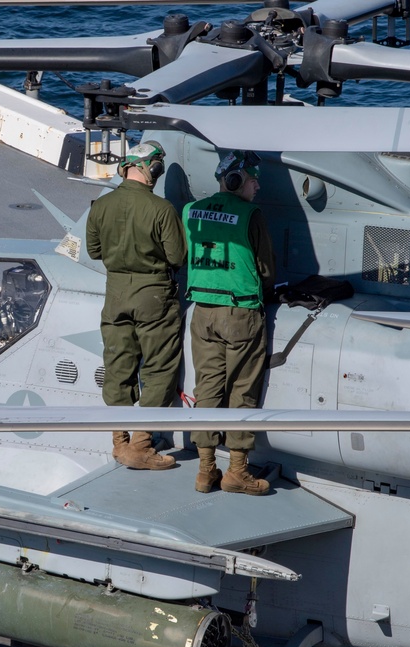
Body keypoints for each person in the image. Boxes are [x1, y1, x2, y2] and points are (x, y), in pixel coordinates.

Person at [86, 140, 186, 470]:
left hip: (115, 293)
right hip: (153, 295)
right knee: (158, 367)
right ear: (153, 169)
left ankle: (119, 442)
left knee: (117, 364)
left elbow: (94, 251)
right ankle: (141, 446)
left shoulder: (101, 205)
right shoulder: (161, 209)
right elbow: (177, 257)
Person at [184, 149, 275, 495]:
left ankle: (206, 471)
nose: (257, 189)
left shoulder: (191, 210)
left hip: (202, 312)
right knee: (242, 392)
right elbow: (265, 269)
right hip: (240, 313)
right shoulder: (251, 215)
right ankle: (237, 472)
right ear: (237, 180)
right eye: (254, 181)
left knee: (206, 389)